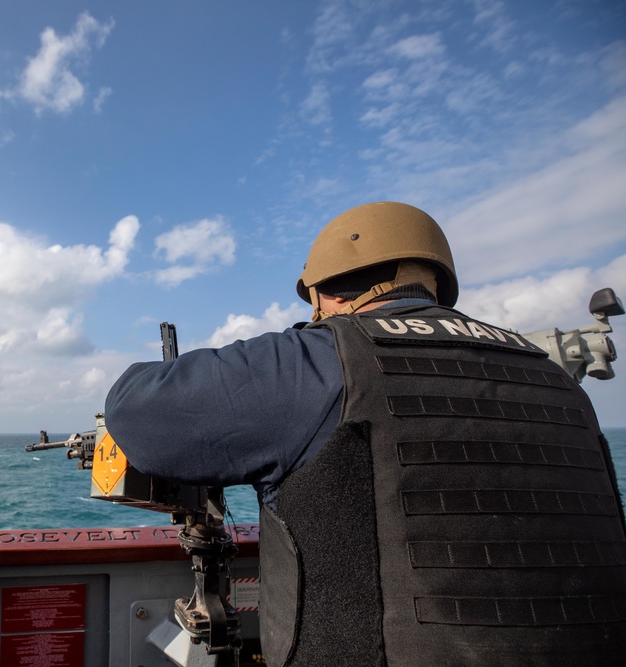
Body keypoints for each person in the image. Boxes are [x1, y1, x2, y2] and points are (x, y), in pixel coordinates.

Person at [104, 202, 626, 665]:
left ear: (324, 290)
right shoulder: (554, 377)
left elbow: (136, 408)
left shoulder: (321, 360)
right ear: (437, 283)